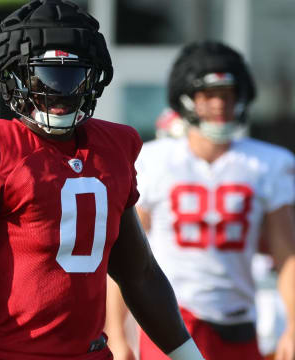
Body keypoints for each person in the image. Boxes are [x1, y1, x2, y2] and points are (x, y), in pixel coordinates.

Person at [0, 1, 206, 360]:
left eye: (73, 76)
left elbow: (139, 273)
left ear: (94, 79)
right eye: (45, 76)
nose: (59, 91)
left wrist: (190, 356)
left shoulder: (114, 147)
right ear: (15, 78)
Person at [105, 41, 295, 360]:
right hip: (174, 319)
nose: (220, 104)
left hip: (240, 322)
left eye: (227, 94)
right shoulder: (153, 160)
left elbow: (287, 255)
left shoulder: (267, 164)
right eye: (209, 95)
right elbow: (126, 258)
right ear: (187, 99)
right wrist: (115, 332)